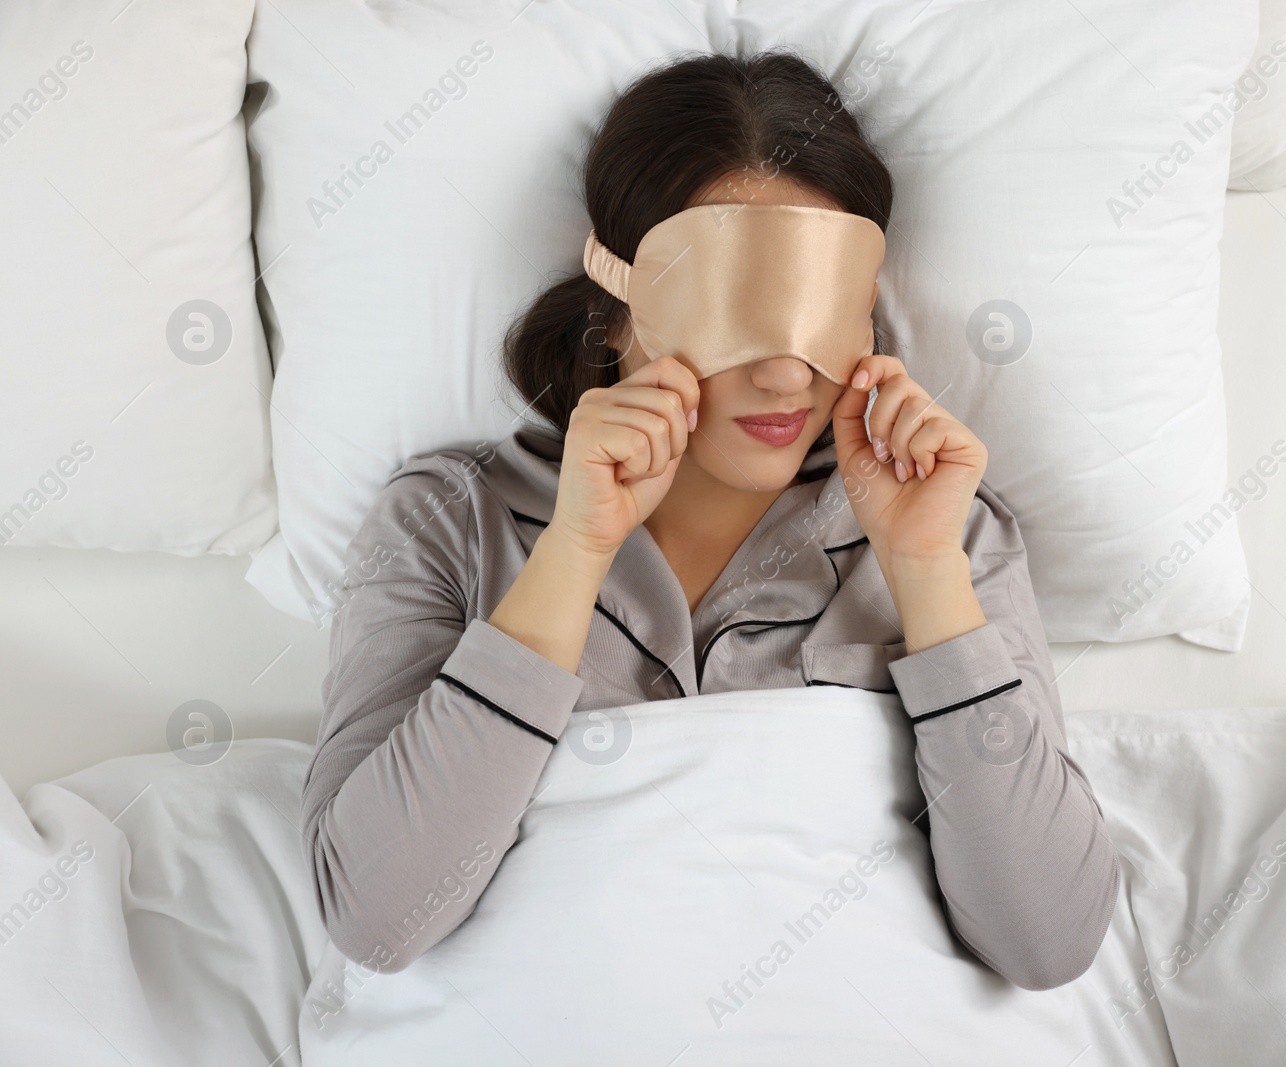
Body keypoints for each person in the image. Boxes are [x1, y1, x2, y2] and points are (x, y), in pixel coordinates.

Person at [300, 49, 1120, 991]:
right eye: (735, 307)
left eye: (818, 310)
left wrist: (925, 569)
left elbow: (1049, 941)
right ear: (616, 310)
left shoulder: (952, 533)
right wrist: (573, 554)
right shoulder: (445, 522)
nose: (783, 374)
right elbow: (373, 914)